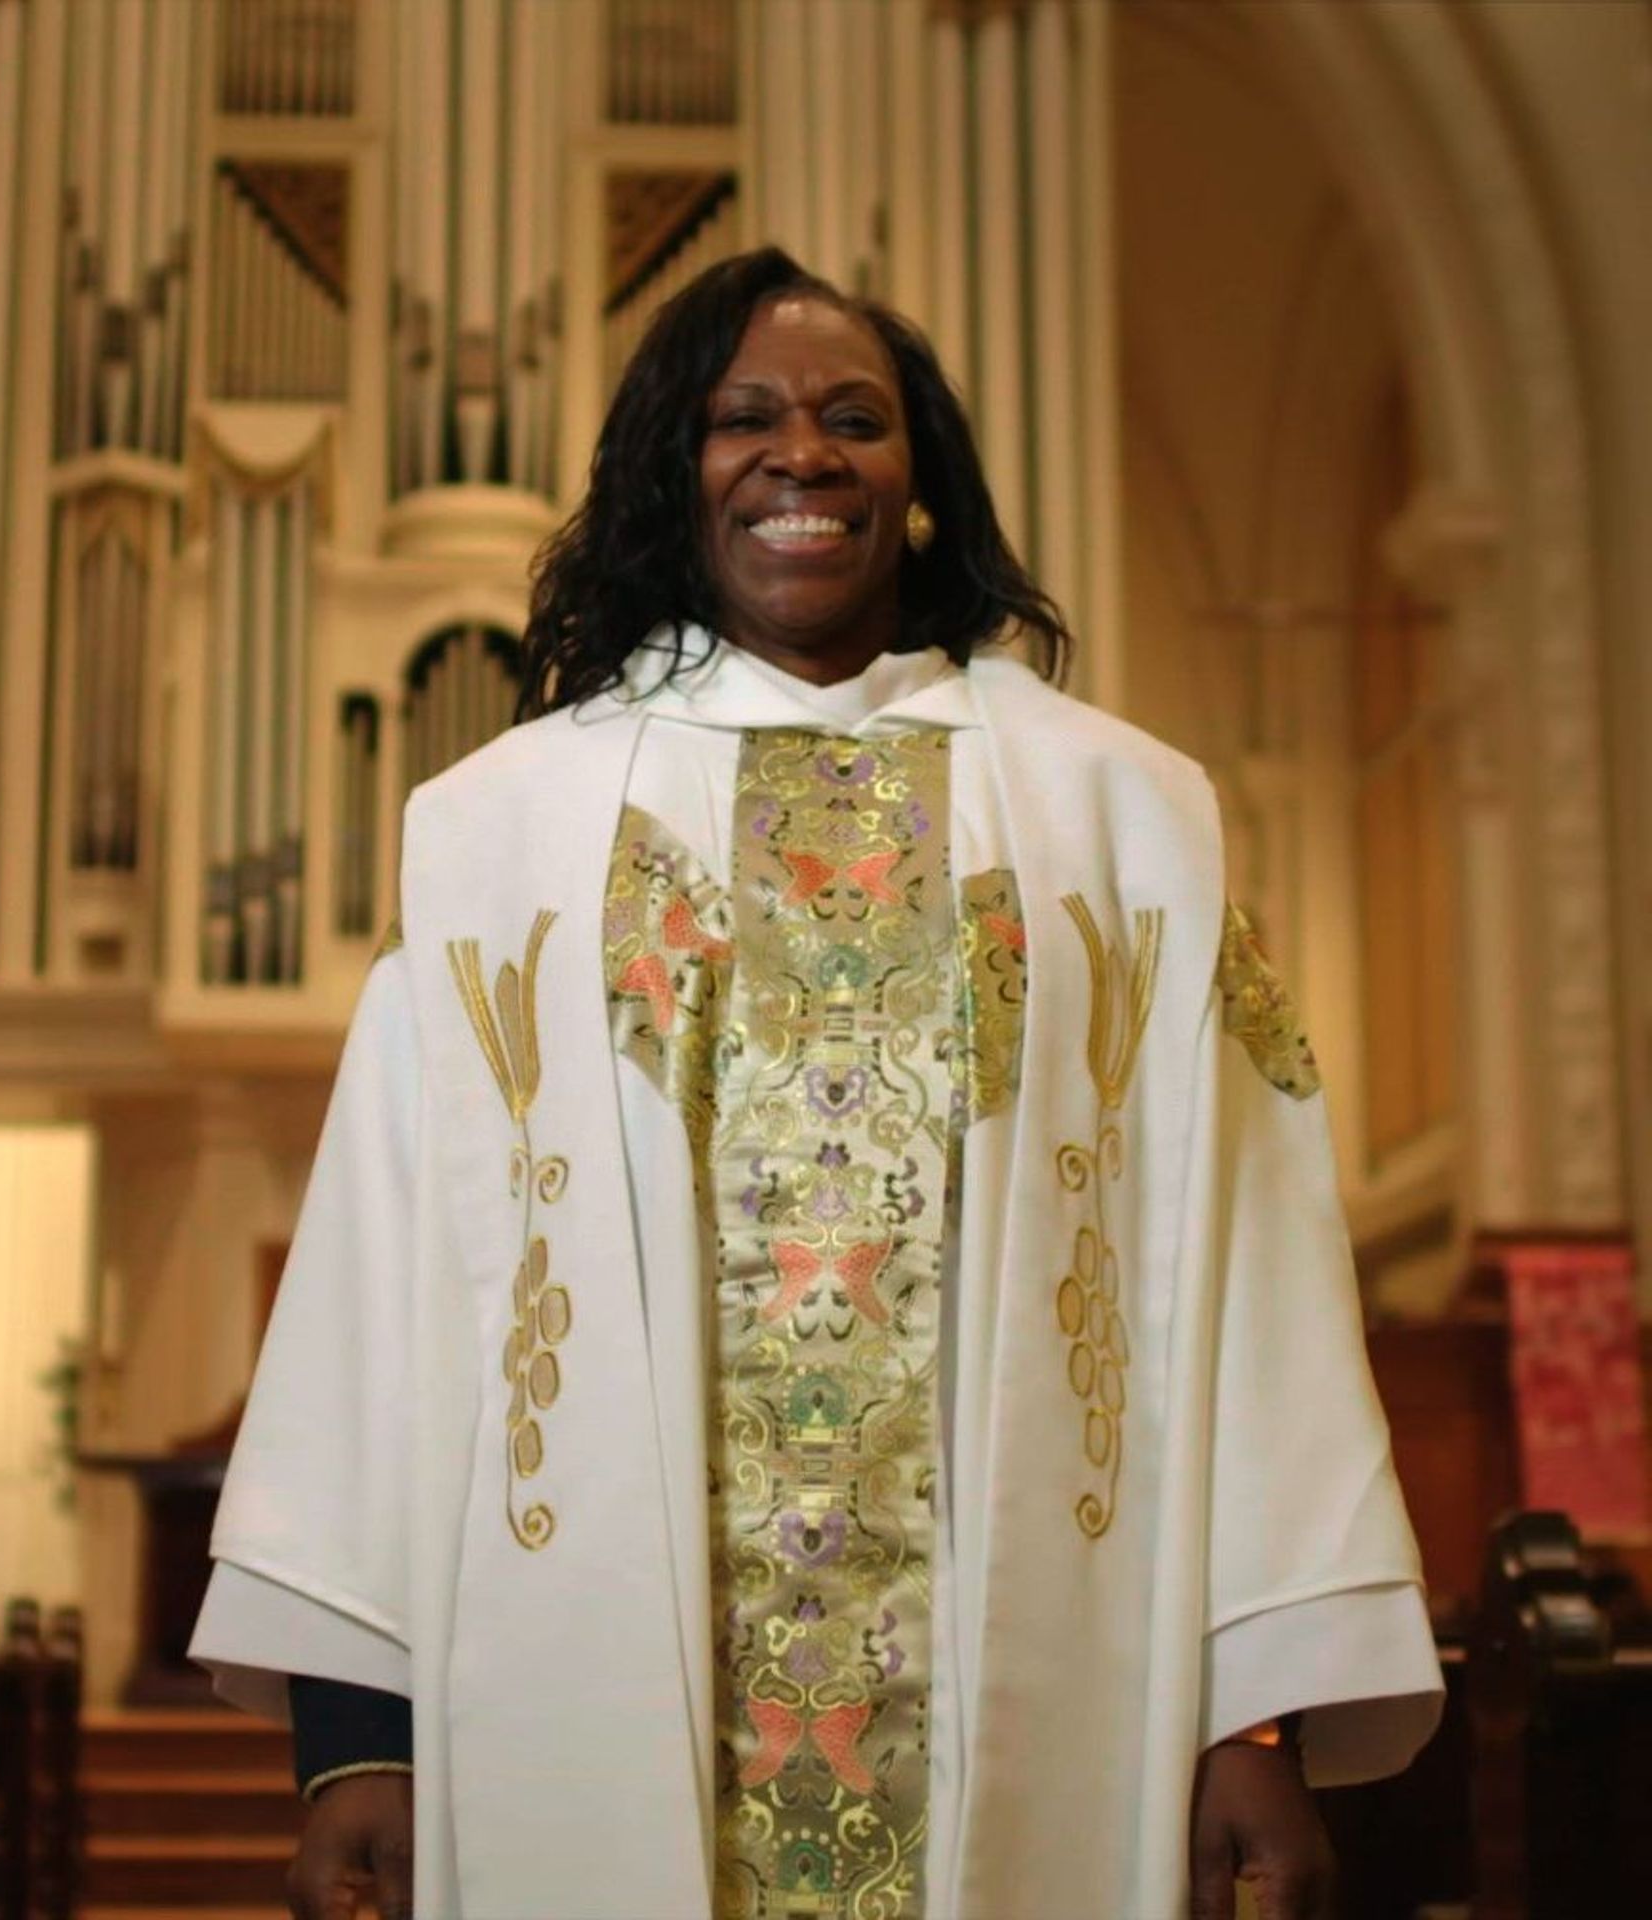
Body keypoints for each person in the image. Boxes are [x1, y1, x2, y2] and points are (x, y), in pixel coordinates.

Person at [191, 247, 1440, 1920]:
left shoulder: (1124, 827)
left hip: (1052, 1708)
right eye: (744, 420)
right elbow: (381, 1298)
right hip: (587, 1704)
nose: (804, 456)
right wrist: (359, 1743)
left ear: (918, 485)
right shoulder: (507, 839)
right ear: (671, 475)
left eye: (857, 419)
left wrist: (1257, 1724)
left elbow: (1254, 1297)